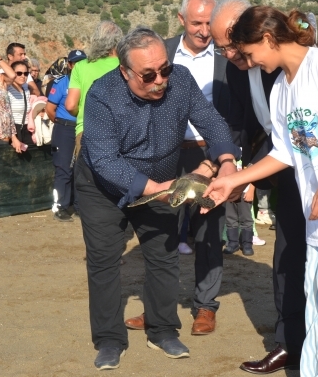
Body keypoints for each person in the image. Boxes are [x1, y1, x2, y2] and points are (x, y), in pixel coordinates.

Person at [204, 5, 318, 377]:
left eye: (249, 53)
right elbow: (285, 152)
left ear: (268, 38)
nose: (248, 61)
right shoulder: (282, 88)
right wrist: (235, 180)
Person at [75, 27, 239, 369]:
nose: (160, 81)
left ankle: (163, 330)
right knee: (104, 262)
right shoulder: (102, 95)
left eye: (164, 69)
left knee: (164, 257)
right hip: (102, 187)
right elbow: (105, 160)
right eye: (148, 75)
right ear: (125, 71)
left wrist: (226, 161)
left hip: (162, 182)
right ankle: (109, 339)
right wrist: (157, 190)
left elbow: (211, 121)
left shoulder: (181, 80)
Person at [125, 0, 238, 337]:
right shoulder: (162, 51)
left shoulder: (229, 57)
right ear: (180, 19)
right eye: (196, 23)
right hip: (166, 156)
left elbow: (237, 115)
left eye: (209, 23)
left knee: (208, 232)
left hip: (210, 156)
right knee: (162, 232)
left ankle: (205, 306)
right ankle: (158, 307)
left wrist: (222, 161)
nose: (204, 31)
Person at [210, 0, 306, 374]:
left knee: (313, 261)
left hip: (312, 170)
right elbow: (241, 123)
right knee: (286, 257)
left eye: (232, 44)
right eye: (221, 47)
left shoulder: (288, 66)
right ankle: (288, 343)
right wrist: (228, 163)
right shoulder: (237, 69)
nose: (229, 53)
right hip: (280, 168)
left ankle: (317, 343)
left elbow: (297, 137)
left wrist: (246, 175)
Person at [65, 21, 123, 156]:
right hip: (121, 132)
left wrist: (83, 113)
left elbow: (70, 105)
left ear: (95, 40)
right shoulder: (125, 65)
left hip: (86, 131)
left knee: (85, 169)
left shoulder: (81, 66)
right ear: (118, 42)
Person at [45, 50, 87, 222]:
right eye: (75, 63)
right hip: (64, 128)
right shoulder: (62, 83)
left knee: (80, 169)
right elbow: (50, 109)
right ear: (69, 65)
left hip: (81, 129)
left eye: (82, 62)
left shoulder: (86, 81)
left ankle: (78, 206)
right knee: (63, 169)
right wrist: (63, 123)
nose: (78, 66)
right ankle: (60, 206)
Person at [223, 156, 255, 255]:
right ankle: (233, 243)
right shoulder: (227, 154)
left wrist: (251, 190)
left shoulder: (248, 154)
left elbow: (255, 173)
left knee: (246, 218)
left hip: (245, 191)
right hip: (229, 191)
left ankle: (247, 244)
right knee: (230, 217)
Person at [7, 61, 34, 145]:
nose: (23, 76)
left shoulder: (26, 89)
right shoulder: (7, 90)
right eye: (19, 73)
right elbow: (6, 115)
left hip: (27, 129)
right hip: (13, 130)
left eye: (26, 73)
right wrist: (13, 137)